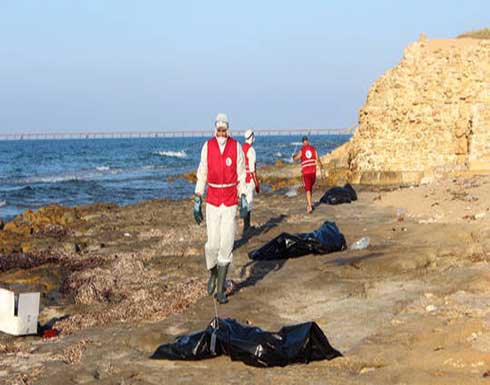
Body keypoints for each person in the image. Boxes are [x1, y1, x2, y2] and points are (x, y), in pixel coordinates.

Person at [193, 113, 248, 304]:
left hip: (230, 201)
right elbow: (202, 173)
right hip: (213, 201)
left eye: (224, 131)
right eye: (219, 131)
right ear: (215, 130)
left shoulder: (236, 147)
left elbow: (241, 174)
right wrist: (198, 198)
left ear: (228, 130)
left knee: (226, 244)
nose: (222, 134)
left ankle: (220, 290)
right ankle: (213, 274)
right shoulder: (207, 147)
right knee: (212, 245)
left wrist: (243, 196)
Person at [293, 136, 323, 213]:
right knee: (310, 188)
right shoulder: (313, 149)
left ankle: (309, 207)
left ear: (303, 142)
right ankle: (309, 204)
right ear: (308, 141)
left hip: (306, 173)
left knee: (308, 189)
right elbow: (318, 159)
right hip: (313, 172)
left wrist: (293, 156)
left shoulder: (302, 150)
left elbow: (296, 158)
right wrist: (321, 168)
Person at [241, 129, 260, 234]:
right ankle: (246, 227)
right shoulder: (251, 150)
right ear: (252, 137)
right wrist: (257, 184)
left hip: (242, 180)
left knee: (245, 203)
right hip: (248, 180)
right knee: (249, 203)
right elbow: (252, 170)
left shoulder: (241, 148)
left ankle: (246, 226)